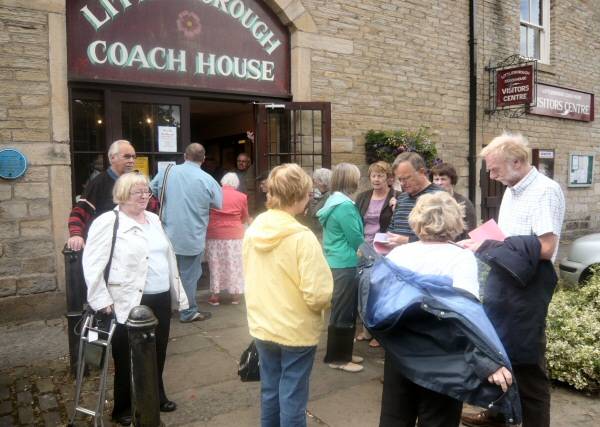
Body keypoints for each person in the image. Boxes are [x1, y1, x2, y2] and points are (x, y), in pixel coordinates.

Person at [369, 192, 514, 427]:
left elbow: (378, 303)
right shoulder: (460, 258)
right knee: (439, 420)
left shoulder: (398, 254)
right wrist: (490, 360)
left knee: (394, 418)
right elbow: (466, 316)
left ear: (416, 219)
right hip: (444, 358)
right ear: (455, 221)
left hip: (400, 350)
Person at [460, 133, 565, 427]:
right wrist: (483, 239)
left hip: (529, 281)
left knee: (526, 360)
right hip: (505, 274)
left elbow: (545, 248)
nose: (492, 175)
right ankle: (497, 414)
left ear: (517, 162)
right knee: (498, 347)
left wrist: (490, 246)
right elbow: (508, 237)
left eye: (495, 169)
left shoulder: (545, 190)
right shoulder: (512, 188)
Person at [82, 172, 189, 426]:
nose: (144, 197)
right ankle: (123, 407)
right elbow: (92, 262)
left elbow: (166, 256)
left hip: (160, 296)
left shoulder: (152, 219)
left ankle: (155, 395)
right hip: (128, 299)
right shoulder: (109, 222)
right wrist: (100, 298)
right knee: (126, 355)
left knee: (158, 350)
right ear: (121, 194)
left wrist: (176, 292)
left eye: (146, 192)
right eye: (137, 192)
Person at [243, 163, 333, 427]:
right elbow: (317, 293)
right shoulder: (302, 238)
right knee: (293, 395)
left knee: (270, 389)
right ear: (299, 195)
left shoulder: (253, 230)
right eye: (308, 194)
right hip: (295, 328)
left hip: (262, 324)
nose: (309, 198)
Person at [150, 143, 223, 323]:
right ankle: (188, 311)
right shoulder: (208, 179)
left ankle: (166, 308)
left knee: (166, 272)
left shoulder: (167, 172)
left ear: (184, 156)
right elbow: (218, 204)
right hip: (193, 234)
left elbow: (151, 189)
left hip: (167, 233)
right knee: (189, 276)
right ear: (203, 159)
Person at [318, 163, 365, 373]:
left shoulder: (333, 201)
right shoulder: (345, 206)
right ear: (350, 180)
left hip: (336, 261)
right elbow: (355, 237)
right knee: (344, 312)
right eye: (357, 176)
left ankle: (344, 352)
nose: (359, 180)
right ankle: (338, 358)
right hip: (346, 263)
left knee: (342, 310)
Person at [355, 161, 398, 348]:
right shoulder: (363, 197)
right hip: (364, 247)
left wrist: (397, 205)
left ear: (388, 178)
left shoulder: (397, 197)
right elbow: (356, 220)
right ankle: (366, 329)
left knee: (378, 290)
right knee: (362, 287)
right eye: (373, 175)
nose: (376, 179)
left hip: (384, 248)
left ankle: (379, 333)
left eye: (380, 176)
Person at [67, 140, 137, 251]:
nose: (132, 161)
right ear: (112, 158)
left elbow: (152, 206)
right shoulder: (99, 183)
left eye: (134, 157)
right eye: (127, 157)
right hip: (108, 245)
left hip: (134, 242)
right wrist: (76, 235)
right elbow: (80, 211)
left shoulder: (137, 181)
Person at [206, 172, 250, 306]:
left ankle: (215, 295)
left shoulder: (213, 194)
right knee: (234, 264)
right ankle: (235, 296)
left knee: (215, 264)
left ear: (222, 182)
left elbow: (206, 212)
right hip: (235, 236)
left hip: (215, 234)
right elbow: (244, 217)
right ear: (236, 184)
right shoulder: (242, 196)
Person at [386, 152, 443, 247]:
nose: (402, 183)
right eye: (399, 179)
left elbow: (445, 236)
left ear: (421, 172)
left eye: (407, 178)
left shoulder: (440, 197)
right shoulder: (402, 198)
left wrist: (408, 241)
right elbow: (392, 228)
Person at [431, 162, 477, 238]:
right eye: (436, 179)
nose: (439, 183)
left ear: (452, 181)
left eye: (443, 179)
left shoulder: (464, 203)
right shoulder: (430, 203)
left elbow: (470, 233)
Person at [305, 168, 332, 235]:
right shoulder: (328, 194)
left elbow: (314, 213)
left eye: (315, 180)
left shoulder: (328, 195)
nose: (314, 183)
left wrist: (311, 201)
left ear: (321, 181)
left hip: (320, 234)